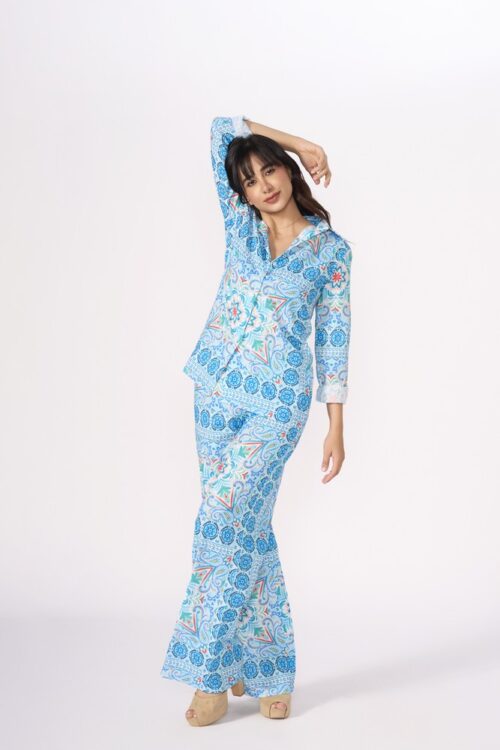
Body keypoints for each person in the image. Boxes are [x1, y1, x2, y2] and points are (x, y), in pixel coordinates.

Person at [160, 115, 353, 725]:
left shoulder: (330, 252)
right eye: (249, 179)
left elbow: (334, 341)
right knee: (243, 528)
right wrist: (302, 140)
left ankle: (211, 676)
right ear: (240, 192)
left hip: (277, 406)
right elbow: (222, 126)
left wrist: (335, 423)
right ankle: (268, 666)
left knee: (220, 517)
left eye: (270, 169)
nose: (263, 185)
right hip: (214, 390)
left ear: (289, 175)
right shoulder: (239, 225)